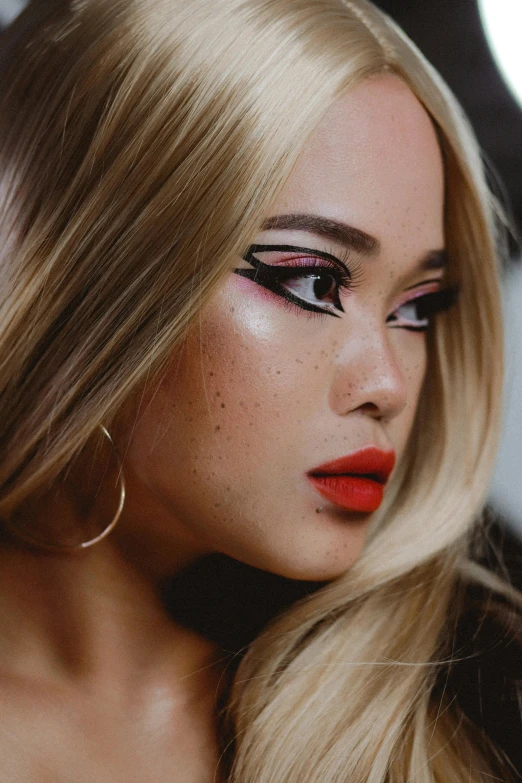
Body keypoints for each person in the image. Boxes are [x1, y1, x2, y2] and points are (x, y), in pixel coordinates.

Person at [0, 0, 521, 780]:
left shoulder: (477, 713)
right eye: (312, 281)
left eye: (417, 307)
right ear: (94, 280)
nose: (387, 383)